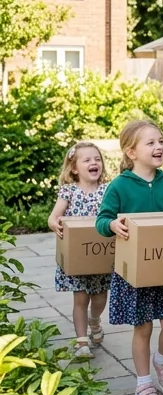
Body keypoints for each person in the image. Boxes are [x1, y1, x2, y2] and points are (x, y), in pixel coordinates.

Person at [96, 120, 163, 395]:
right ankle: (143, 383)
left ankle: (161, 360)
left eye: (161, 141)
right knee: (143, 327)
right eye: (150, 143)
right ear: (131, 152)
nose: (159, 146)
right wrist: (112, 224)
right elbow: (102, 220)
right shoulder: (120, 186)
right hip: (134, 272)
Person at [48, 141, 110, 359]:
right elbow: (54, 217)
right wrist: (55, 223)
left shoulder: (107, 190)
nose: (94, 163)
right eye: (87, 160)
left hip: (101, 256)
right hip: (78, 257)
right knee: (80, 298)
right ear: (74, 168)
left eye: (97, 159)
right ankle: (81, 340)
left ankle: (95, 320)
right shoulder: (69, 191)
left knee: (101, 296)